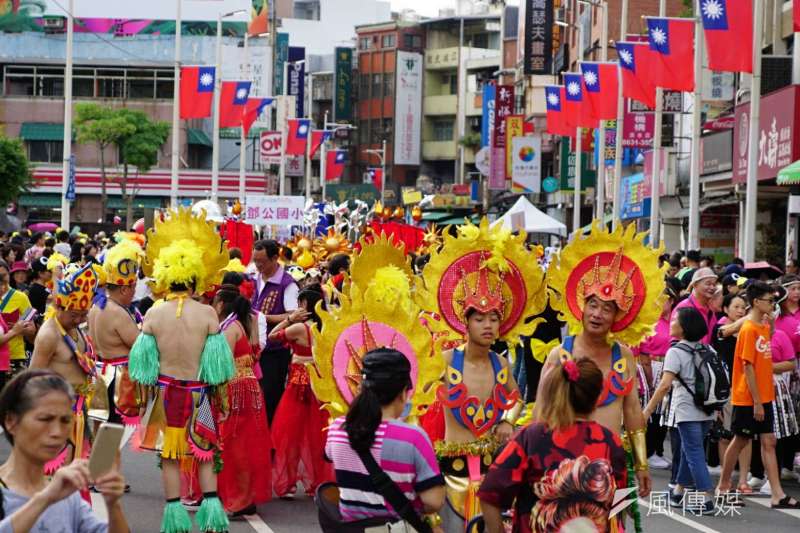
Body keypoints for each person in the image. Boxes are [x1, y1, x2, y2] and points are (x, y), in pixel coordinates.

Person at [416, 219, 546, 532]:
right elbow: (414, 398)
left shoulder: (501, 364)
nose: (487, 326)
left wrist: (506, 420)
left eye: (493, 319)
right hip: (451, 476)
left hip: (492, 475)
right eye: (480, 319)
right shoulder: (446, 360)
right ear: (465, 323)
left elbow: (516, 400)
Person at [543, 221, 659, 522]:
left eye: (607, 308)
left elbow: (632, 411)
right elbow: (541, 415)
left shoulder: (624, 358)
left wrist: (642, 464)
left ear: (618, 317)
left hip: (613, 465)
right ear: (581, 307)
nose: (598, 314)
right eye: (593, 305)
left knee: (613, 527)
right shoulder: (560, 355)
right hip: (565, 466)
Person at [129, 207, 235, 533]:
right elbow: (218, 371)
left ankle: (174, 517)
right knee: (205, 454)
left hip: (165, 396)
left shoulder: (154, 315)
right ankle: (212, 517)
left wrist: (143, 398)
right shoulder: (206, 314)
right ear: (195, 279)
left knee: (170, 457)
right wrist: (223, 400)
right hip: (199, 395)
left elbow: (141, 371)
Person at [479, 356, 627, 533]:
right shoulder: (611, 442)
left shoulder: (531, 437)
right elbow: (620, 504)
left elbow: (489, 494)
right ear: (598, 397)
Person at [323, 348, 445, 531]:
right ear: (403, 393)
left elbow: (332, 457)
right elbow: (434, 501)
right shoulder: (413, 437)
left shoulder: (337, 428)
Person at [0, 370, 129, 532]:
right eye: (45, 419)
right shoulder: (56, 491)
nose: (57, 432)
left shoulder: (67, 494)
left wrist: (113, 504)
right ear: (11, 421)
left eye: (66, 420)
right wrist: (45, 499)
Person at [716, 281, 800, 509]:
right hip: (748, 397)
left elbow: (765, 354)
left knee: (769, 441)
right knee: (740, 440)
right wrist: (757, 402)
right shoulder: (748, 329)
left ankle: (777, 494)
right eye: (770, 301)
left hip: (765, 395)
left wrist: (771, 327)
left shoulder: (762, 326)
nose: (773, 305)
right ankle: (723, 487)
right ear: (756, 302)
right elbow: (748, 367)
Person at [643, 307, 717, 514]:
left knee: (693, 451)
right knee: (688, 449)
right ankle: (678, 491)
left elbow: (664, 385)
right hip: (708, 409)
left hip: (687, 411)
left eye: (676, 319)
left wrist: (647, 411)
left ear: (683, 328)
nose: (672, 321)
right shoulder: (708, 349)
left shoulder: (675, 351)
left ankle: (705, 498)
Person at [29, 263, 99, 474]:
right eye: (74, 315)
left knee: (78, 472)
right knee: (60, 473)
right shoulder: (49, 335)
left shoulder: (76, 328)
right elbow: (33, 378)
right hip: (57, 411)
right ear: (60, 307)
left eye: (83, 315)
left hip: (80, 408)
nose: (79, 320)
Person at [213, 273, 272, 517]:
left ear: (222, 305)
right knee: (246, 443)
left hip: (234, 389)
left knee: (234, 444)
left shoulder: (230, 328)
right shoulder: (245, 323)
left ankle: (239, 498)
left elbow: (221, 362)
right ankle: (246, 496)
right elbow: (256, 352)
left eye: (214, 302)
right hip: (249, 386)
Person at [269, 284, 333, 499]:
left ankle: (288, 483)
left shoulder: (299, 328)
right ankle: (318, 483)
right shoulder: (328, 327)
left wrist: (289, 319)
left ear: (304, 304)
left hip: (298, 384)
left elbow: (272, 336)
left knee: (290, 434)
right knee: (317, 434)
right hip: (320, 385)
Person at [87, 240, 143, 426]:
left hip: (99, 374)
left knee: (100, 430)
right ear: (124, 288)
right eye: (133, 288)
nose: (134, 293)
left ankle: (100, 457)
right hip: (116, 380)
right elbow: (140, 346)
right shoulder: (117, 312)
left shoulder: (96, 306)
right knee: (112, 433)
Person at [251, 239, 299, 423]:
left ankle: (270, 438)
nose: (258, 265)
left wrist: (263, 318)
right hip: (255, 349)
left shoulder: (288, 285)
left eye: (261, 261)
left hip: (275, 351)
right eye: (255, 260)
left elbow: (294, 316)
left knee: (270, 396)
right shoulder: (256, 278)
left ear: (274, 258)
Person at [712, 292, 752, 494]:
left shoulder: (750, 330)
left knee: (745, 436)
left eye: (743, 307)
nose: (740, 310)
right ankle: (725, 477)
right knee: (725, 435)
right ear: (725, 309)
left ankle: (744, 479)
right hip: (726, 390)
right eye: (735, 307)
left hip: (746, 389)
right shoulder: (720, 330)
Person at [636, 284, 678, 470]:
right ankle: (648, 452)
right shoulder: (650, 322)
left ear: (671, 301)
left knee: (663, 413)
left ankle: (657, 450)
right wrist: (650, 379)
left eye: (664, 298)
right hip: (652, 368)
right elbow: (643, 355)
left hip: (671, 368)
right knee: (651, 411)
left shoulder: (676, 321)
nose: (659, 302)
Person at [0, 260, 35, 377]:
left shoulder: (22, 297)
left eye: (4, 275)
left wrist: (20, 329)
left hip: (15, 357)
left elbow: (32, 330)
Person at [672, 267, 719, 344]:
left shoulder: (710, 309)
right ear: (695, 284)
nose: (712, 287)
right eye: (708, 284)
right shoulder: (683, 308)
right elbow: (674, 340)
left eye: (714, 284)